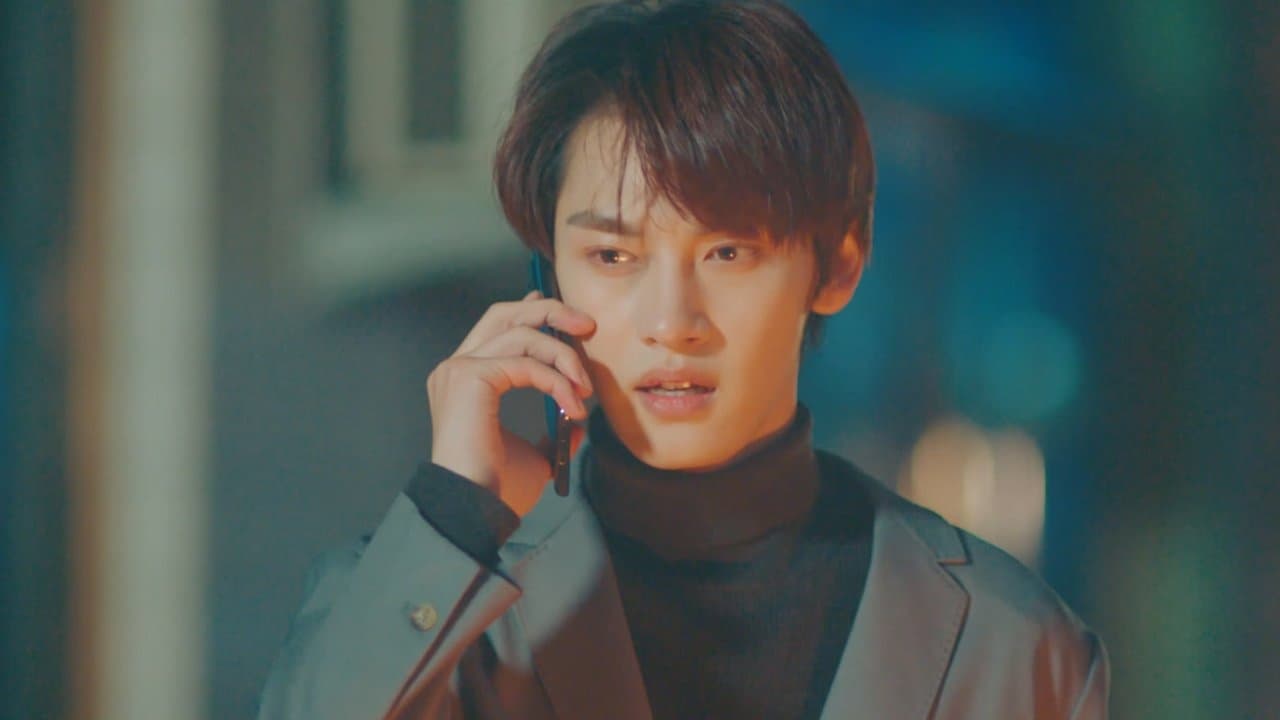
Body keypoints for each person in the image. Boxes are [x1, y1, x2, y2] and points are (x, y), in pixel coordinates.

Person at [257, 1, 1110, 718]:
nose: (672, 323)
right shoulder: (431, 608)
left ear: (838, 265)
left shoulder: (1013, 644)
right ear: (547, 279)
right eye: (613, 257)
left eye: (728, 252)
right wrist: (454, 513)